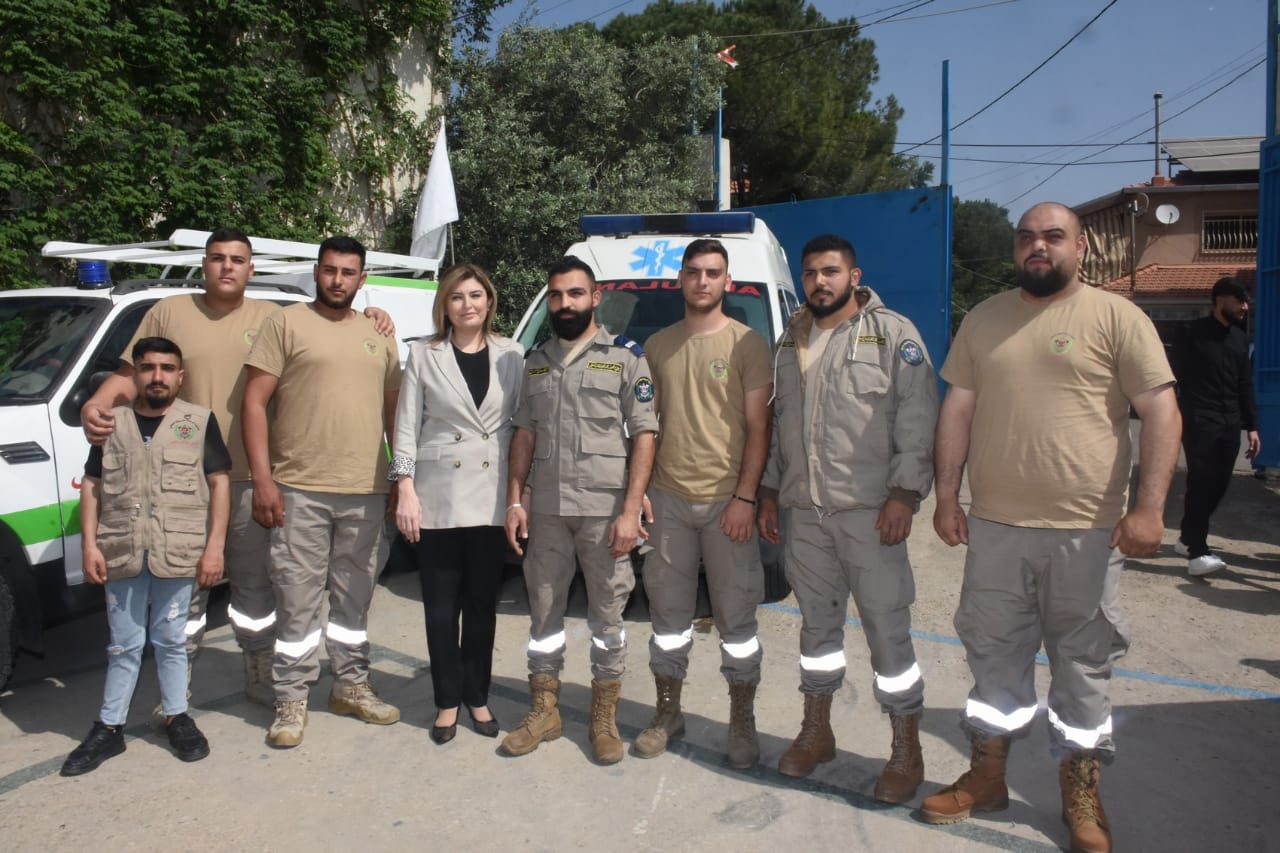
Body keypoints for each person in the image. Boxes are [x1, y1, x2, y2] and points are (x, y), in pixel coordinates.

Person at [921, 202, 1180, 853]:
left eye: (1053, 236)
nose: (1039, 246)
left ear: (1080, 247)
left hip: (1086, 532)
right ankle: (987, 777)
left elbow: (1161, 411)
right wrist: (946, 496)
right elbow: (957, 410)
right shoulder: (984, 318)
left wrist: (1149, 509)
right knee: (993, 660)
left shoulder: (1118, 318)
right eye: (1027, 237)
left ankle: (1080, 794)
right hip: (996, 529)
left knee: (1082, 668)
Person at [80, 228, 394, 708]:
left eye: (237, 259)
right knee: (182, 592)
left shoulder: (274, 317)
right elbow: (132, 375)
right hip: (180, 480)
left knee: (255, 591)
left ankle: (260, 670)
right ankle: (176, 689)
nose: (227, 266)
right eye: (217, 258)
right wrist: (95, 406)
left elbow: (333, 330)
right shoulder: (169, 312)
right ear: (203, 264)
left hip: (249, 477)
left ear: (251, 269)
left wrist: (374, 314)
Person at [757, 234, 937, 802]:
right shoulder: (791, 339)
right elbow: (782, 424)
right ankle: (817, 730)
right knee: (817, 628)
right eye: (810, 273)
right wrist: (769, 490)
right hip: (805, 513)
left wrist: (904, 494)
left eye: (830, 272)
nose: (819, 282)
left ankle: (906, 748)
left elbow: (917, 417)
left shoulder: (893, 335)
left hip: (870, 514)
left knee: (887, 632)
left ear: (854, 276)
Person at [242, 236, 402, 748]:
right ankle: (291, 698)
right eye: (330, 270)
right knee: (297, 599)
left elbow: (395, 415)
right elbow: (253, 403)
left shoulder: (379, 333)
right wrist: (263, 479)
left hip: (366, 489)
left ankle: (350, 685)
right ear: (316, 272)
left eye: (348, 272)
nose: (338, 280)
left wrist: (400, 479)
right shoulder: (285, 323)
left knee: (355, 598)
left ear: (362, 278)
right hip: (298, 488)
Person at [501, 256, 658, 765]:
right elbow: (524, 433)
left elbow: (645, 435)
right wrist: (515, 500)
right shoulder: (536, 360)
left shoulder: (625, 358)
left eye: (574, 294)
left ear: (595, 298)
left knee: (608, 618)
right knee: (543, 614)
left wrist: (630, 511)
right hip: (546, 511)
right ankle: (544, 711)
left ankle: (603, 718)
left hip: (604, 512)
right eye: (556, 295)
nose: (564, 303)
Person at [631, 239, 772, 769]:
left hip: (726, 504)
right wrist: (640, 494)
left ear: (727, 282)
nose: (702, 281)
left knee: (737, 623)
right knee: (668, 617)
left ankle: (742, 722)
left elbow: (759, 427)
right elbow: (645, 427)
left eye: (713, 273)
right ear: (680, 281)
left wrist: (744, 497)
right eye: (693, 272)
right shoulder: (657, 347)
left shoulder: (748, 345)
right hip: (668, 502)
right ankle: (668, 713)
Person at [61, 337, 230, 775]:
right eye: (149, 367)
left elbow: (219, 483)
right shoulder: (111, 423)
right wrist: (89, 545)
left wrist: (214, 547)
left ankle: (177, 716)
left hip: (178, 550)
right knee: (124, 644)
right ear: (134, 373)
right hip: (122, 550)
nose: (158, 376)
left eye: (167, 368)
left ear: (180, 376)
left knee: (172, 640)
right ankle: (109, 727)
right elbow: (93, 485)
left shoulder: (198, 421)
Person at [391, 264, 524, 744]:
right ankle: (447, 700)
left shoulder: (513, 354)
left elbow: (521, 427)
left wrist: (519, 496)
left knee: (482, 605)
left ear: (489, 301)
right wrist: (405, 489)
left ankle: (477, 696)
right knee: (441, 607)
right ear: (444, 306)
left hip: (491, 496)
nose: (468, 304)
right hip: (438, 496)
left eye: (476, 295)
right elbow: (405, 428)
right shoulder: (423, 354)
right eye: (457, 297)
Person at [1169, 276, 1261, 576]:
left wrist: (1252, 427)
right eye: (1240, 301)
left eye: (1246, 302)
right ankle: (1198, 553)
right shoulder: (1190, 333)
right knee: (1202, 481)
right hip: (1199, 420)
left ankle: (1187, 537)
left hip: (1229, 423)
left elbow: (1245, 385)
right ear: (1221, 300)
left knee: (1219, 484)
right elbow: (1172, 377)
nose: (1245, 307)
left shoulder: (1239, 339)